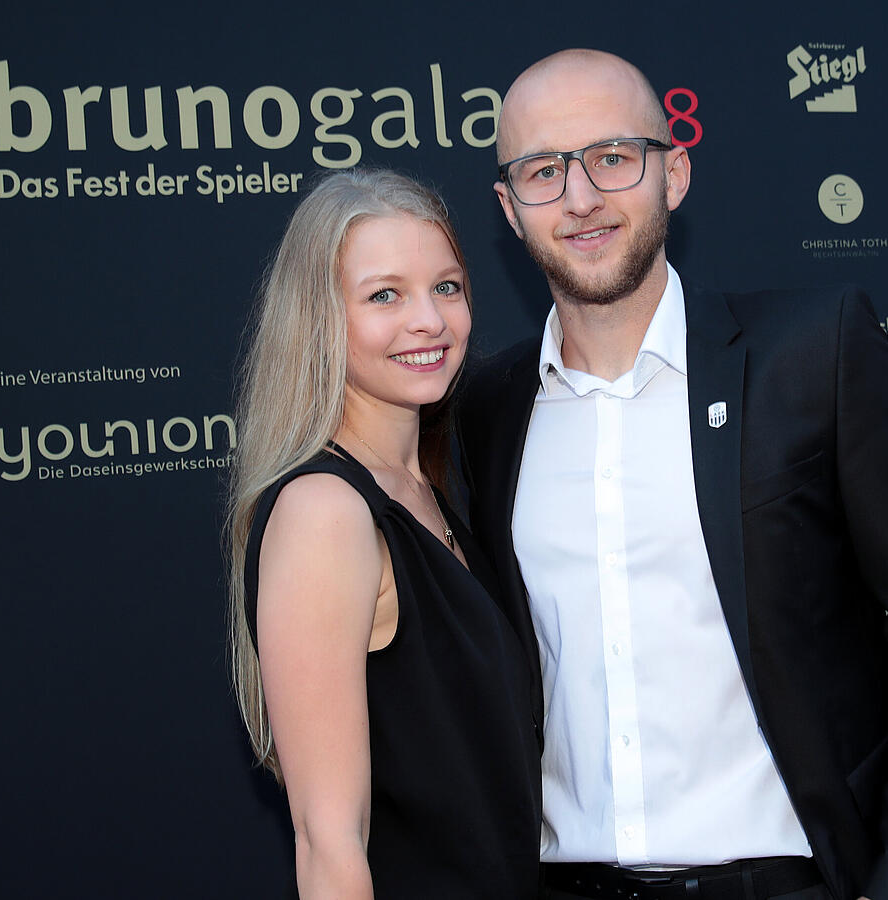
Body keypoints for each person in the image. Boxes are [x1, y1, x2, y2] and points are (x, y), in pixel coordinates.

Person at [458, 49, 888, 900]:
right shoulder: (484, 414)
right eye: (543, 170)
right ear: (509, 207)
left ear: (673, 174)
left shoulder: (814, 355)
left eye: (612, 157)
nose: (580, 197)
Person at [227, 169, 541, 899]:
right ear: (320, 320)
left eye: (447, 287)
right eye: (384, 295)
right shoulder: (326, 512)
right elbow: (329, 843)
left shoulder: (429, 493)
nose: (428, 320)